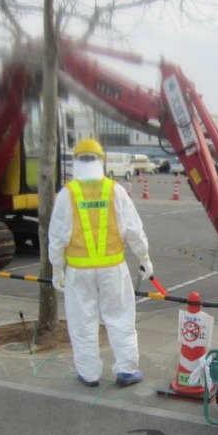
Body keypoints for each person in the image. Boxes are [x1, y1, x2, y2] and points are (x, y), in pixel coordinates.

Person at [48, 138, 153, 389]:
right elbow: (133, 230)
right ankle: (127, 370)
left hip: (78, 270)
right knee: (120, 317)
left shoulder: (67, 193)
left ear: (75, 161)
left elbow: (57, 237)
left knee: (82, 321)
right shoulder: (114, 190)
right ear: (101, 161)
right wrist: (144, 258)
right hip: (112, 268)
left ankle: (89, 373)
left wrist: (56, 269)